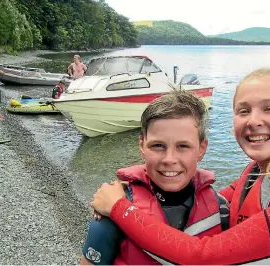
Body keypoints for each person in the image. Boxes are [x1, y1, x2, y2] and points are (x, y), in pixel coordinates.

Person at [91, 66, 270, 265]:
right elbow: (208, 199)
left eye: (269, 109)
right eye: (243, 110)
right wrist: (137, 189)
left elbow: (203, 257)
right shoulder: (261, 171)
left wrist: (119, 208)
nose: (253, 120)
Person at [80, 91, 229, 265]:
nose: (169, 159)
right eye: (158, 146)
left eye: (183, 146)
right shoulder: (111, 213)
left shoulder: (221, 209)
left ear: (202, 149)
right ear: (142, 145)